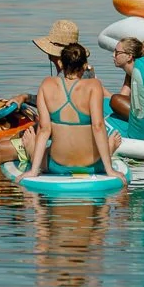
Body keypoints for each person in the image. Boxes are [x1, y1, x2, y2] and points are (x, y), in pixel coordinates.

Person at [17, 42, 124, 185]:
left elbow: (44, 130)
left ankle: (31, 150)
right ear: (85, 66)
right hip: (93, 166)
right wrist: (109, 170)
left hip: (57, 166)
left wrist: (33, 171)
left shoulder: (47, 84)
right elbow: (98, 126)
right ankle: (108, 149)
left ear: (61, 63)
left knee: (41, 149)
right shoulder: (94, 86)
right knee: (100, 136)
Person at [108, 37, 144, 121]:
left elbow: (118, 100)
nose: (113, 55)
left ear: (129, 56)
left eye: (117, 52)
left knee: (115, 100)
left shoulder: (141, 74)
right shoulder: (130, 73)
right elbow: (123, 96)